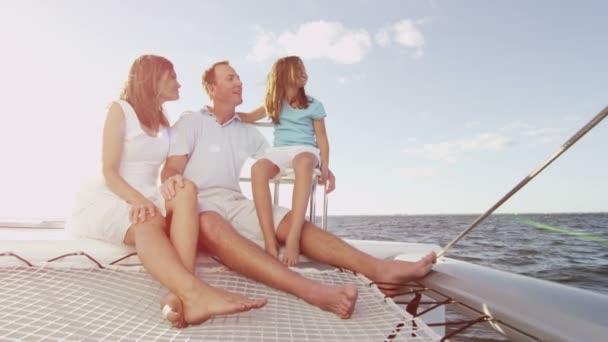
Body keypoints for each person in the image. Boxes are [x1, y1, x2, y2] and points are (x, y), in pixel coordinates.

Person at [161, 60, 436, 320]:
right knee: (210, 222)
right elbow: (171, 170)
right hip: (196, 202)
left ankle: (379, 269)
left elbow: (283, 159)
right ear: (212, 88)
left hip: (233, 201)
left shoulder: (247, 132)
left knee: (290, 221)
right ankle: (312, 291)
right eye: (230, 78)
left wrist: (322, 167)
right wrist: (174, 183)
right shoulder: (191, 121)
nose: (239, 82)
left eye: (239, 77)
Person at [69, 55, 265, 328]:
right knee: (146, 219)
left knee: (186, 190)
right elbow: (109, 171)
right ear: (153, 78)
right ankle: (195, 292)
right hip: (114, 195)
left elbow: (169, 167)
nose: (179, 83)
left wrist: (169, 183)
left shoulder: (164, 119)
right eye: (172, 76)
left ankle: (179, 294)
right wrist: (138, 201)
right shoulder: (120, 110)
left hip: (148, 192)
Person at [239, 56, 329, 266]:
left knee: (303, 162)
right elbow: (249, 118)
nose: (303, 73)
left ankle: (293, 236)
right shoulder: (273, 103)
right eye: (297, 70)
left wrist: (325, 164)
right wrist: (219, 112)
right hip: (280, 150)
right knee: (258, 168)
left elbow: (322, 138)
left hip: (306, 150)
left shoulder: (314, 105)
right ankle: (269, 239)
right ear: (283, 75)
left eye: (303, 69)